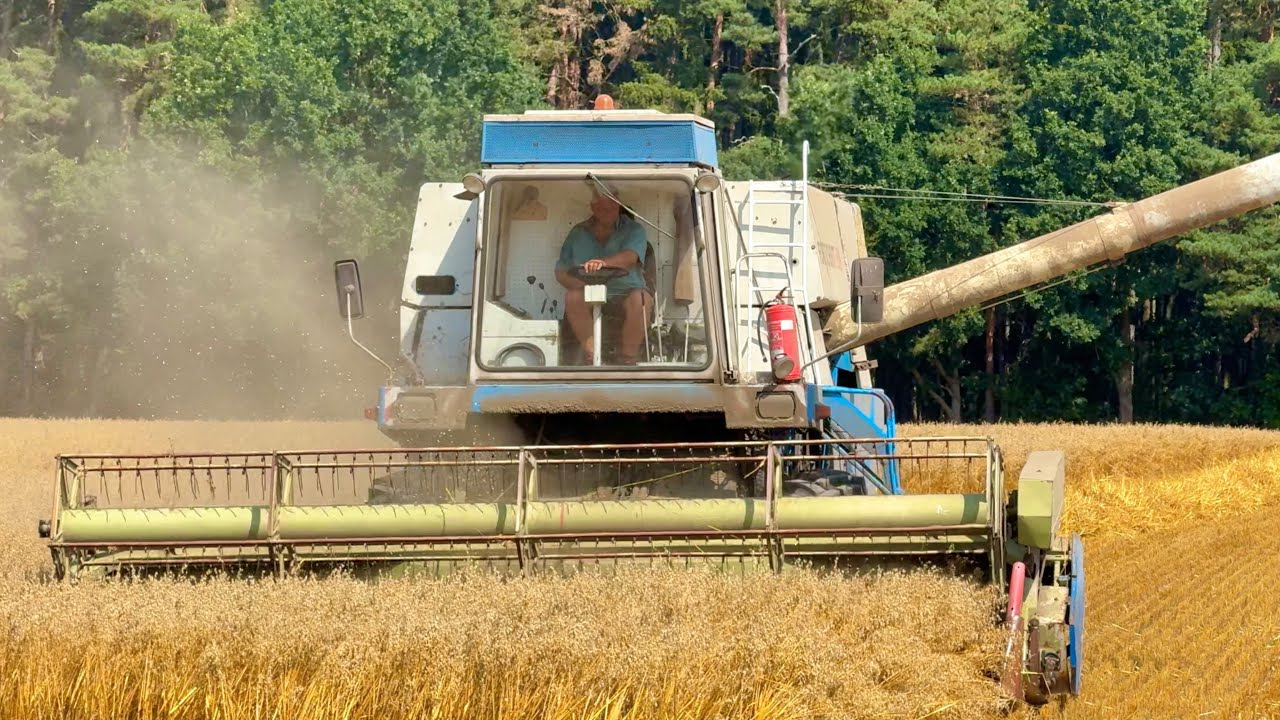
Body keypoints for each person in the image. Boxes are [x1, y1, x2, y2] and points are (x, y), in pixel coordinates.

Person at [555, 184, 653, 365]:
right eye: (600, 206)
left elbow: (630, 256)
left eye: (610, 206)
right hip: (587, 291)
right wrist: (579, 285)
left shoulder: (634, 230)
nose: (605, 210)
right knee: (572, 297)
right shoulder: (577, 233)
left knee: (641, 299)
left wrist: (604, 263)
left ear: (618, 205)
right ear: (592, 208)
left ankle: (627, 359)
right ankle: (592, 355)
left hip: (625, 292)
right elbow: (561, 271)